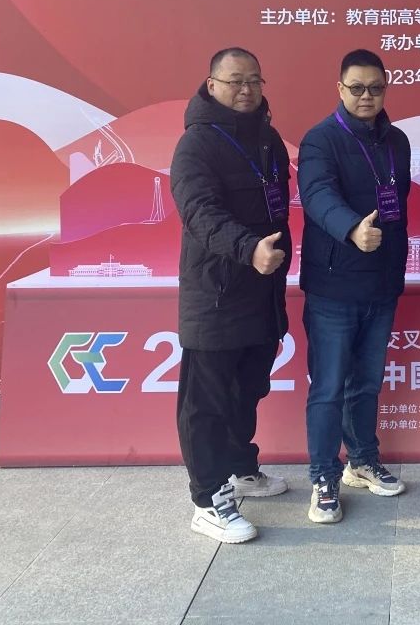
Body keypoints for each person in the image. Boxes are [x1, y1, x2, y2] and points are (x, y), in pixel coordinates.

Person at [170, 47, 293, 545]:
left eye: (254, 80)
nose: (246, 89)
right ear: (212, 85)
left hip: (262, 291)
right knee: (207, 402)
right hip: (216, 294)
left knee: (247, 389)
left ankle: (242, 468)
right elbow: (199, 213)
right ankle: (207, 500)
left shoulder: (268, 138)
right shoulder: (195, 145)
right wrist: (248, 249)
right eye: (235, 80)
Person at [297, 49, 411, 523]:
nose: (367, 96)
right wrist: (350, 229)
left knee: (365, 382)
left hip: (381, 285)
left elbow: (398, 204)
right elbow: (316, 194)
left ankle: (361, 461)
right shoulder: (320, 139)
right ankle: (323, 476)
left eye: (375, 88)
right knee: (328, 387)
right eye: (357, 88)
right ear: (340, 89)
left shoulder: (397, 140)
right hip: (334, 286)